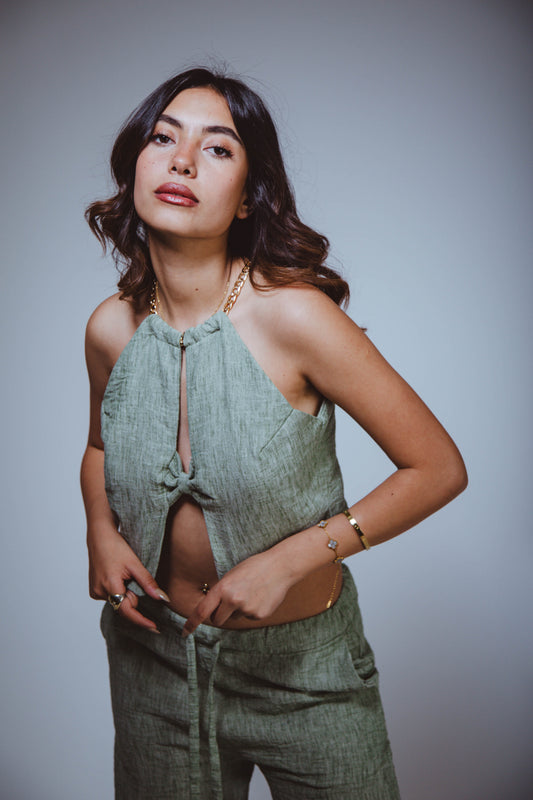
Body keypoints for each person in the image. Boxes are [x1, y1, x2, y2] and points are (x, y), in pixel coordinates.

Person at [81, 67, 467, 800]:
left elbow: (437, 467)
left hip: (305, 675)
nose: (182, 161)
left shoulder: (296, 316)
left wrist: (291, 559)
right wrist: (100, 529)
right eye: (163, 138)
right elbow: (99, 446)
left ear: (248, 196)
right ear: (134, 165)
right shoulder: (109, 329)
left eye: (217, 148)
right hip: (154, 668)